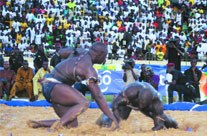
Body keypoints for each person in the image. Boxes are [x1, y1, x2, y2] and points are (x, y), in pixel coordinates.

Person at [27, 42, 119, 131]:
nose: (105, 58)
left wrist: (72, 53)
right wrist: (112, 117)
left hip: (50, 85)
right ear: (100, 54)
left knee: (72, 125)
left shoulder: (80, 51)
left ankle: (39, 124)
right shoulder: (88, 69)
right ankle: (55, 128)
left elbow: (61, 52)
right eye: (105, 55)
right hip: (54, 85)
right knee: (84, 102)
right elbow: (98, 97)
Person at [111, 82, 178, 131]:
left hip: (150, 102)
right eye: (141, 104)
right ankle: (105, 121)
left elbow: (159, 122)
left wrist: (154, 129)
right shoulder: (128, 94)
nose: (141, 107)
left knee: (162, 118)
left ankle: (175, 124)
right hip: (131, 102)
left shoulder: (156, 99)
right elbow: (114, 105)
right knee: (121, 118)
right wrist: (118, 122)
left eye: (143, 105)